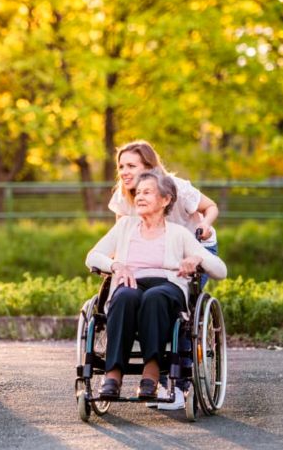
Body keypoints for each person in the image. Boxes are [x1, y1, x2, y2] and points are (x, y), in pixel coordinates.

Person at [85, 170, 227, 404]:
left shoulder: (179, 234)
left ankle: (151, 372)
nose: (139, 197)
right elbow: (93, 256)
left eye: (147, 192)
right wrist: (116, 265)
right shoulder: (125, 226)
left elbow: (221, 270)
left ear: (165, 200)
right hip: (130, 282)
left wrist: (199, 259)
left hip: (167, 286)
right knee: (124, 298)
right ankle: (113, 374)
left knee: (154, 297)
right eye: (138, 192)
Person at [109, 140, 219, 282]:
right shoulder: (123, 195)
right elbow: (122, 233)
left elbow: (211, 206)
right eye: (121, 167)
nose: (124, 172)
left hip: (193, 248)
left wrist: (205, 224)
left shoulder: (177, 188)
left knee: (180, 295)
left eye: (131, 166)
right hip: (156, 248)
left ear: (148, 168)